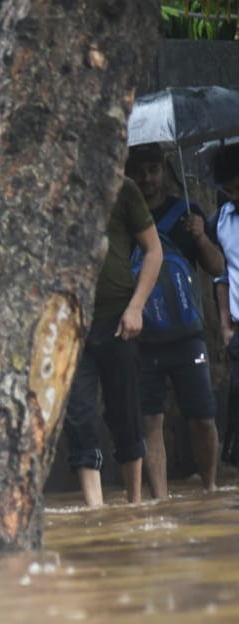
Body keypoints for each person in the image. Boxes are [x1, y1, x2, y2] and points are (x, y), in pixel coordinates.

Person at [125, 144, 225, 496]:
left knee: (202, 416)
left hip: (188, 336)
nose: (147, 178)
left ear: (165, 171)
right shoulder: (124, 214)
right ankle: (162, 500)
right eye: (140, 171)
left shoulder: (188, 213)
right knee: (150, 420)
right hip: (141, 337)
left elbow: (216, 268)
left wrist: (199, 236)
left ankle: (210, 487)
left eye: (153, 170)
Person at [63, 174, 163, 507]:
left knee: (125, 413)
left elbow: (153, 250)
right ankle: (96, 511)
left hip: (119, 320)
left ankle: (133, 506)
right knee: (78, 415)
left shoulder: (122, 187)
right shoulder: (47, 190)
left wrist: (136, 307)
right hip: (70, 324)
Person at [208, 147, 239, 465]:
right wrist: (225, 326)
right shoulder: (220, 221)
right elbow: (221, 277)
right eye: (228, 190)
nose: (234, 196)